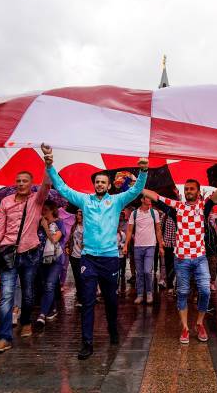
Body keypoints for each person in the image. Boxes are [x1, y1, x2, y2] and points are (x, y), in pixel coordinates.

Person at [42, 143, 148, 360]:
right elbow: (62, 188)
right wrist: (51, 166)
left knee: (110, 300)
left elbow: (136, 190)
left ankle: (113, 329)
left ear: (108, 185)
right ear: (94, 185)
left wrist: (143, 171)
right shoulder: (85, 200)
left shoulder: (117, 201)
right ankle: (87, 343)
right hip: (88, 258)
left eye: (103, 182)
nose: (100, 184)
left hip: (110, 259)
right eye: (97, 182)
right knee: (88, 300)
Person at [143, 166, 217, 344]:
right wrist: (134, 185)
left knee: (204, 291)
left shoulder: (204, 206)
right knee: (183, 293)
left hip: (200, 258)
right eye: (186, 189)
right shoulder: (176, 207)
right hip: (181, 259)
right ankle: (186, 328)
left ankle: (200, 323)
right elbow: (154, 196)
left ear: (197, 191)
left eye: (191, 189)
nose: (188, 191)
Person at [0, 156, 51, 353]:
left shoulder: (37, 200)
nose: (20, 184)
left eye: (25, 181)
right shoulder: (5, 202)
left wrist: (48, 165)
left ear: (31, 184)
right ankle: (4, 337)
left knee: (28, 294)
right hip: (8, 253)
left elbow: (47, 183)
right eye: (18, 181)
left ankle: (27, 320)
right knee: (7, 295)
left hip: (30, 253)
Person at [123, 195, 164, 305]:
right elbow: (129, 230)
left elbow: (158, 230)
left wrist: (160, 246)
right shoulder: (134, 213)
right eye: (148, 198)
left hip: (150, 246)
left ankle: (149, 293)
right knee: (139, 272)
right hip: (137, 246)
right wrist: (126, 245)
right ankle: (140, 294)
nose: (150, 199)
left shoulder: (154, 213)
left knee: (147, 271)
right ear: (142, 200)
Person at [35, 200, 66, 329]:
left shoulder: (59, 223)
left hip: (55, 259)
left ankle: (42, 315)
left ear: (53, 210)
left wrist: (46, 226)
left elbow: (54, 239)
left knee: (49, 285)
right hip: (41, 259)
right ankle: (52, 308)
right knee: (45, 285)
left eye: (46, 209)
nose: (44, 211)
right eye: (43, 209)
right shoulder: (38, 224)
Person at [65, 209, 84, 307]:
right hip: (74, 255)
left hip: (84, 256)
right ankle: (80, 299)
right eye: (77, 214)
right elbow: (70, 239)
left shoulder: (88, 227)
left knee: (83, 277)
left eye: (80, 214)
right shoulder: (74, 226)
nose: (78, 216)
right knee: (77, 277)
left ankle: (86, 297)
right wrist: (67, 247)